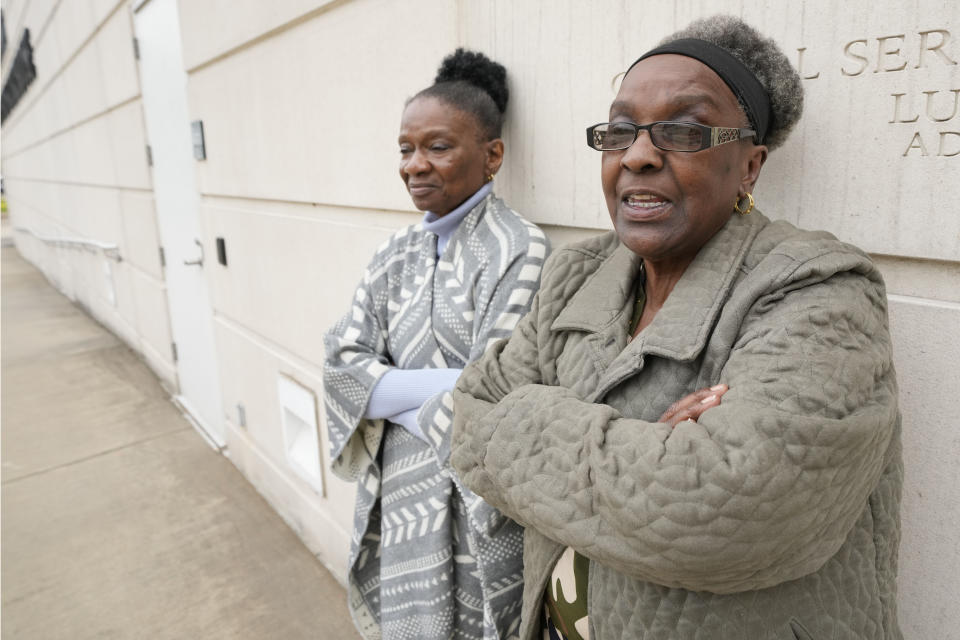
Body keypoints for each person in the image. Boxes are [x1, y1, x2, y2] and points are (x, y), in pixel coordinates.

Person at [450, 15, 902, 640]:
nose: (637, 155)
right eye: (621, 131)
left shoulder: (818, 288)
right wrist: (651, 446)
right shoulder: (577, 273)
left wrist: (527, 420)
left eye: (685, 131)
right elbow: (467, 414)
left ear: (749, 166)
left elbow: (721, 512)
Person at [324, 49, 549, 640]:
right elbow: (340, 366)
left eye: (438, 147)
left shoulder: (518, 249)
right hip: (399, 492)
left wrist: (382, 389)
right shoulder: (391, 254)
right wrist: (435, 389)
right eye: (405, 148)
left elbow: (494, 387)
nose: (415, 165)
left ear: (492, 154)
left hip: (474, 498)